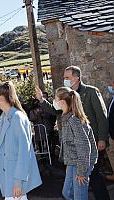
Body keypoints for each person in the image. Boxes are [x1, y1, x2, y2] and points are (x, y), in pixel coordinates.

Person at [36, 65, 110, 200]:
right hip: (76, 150)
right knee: (85, 179)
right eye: (64, 77)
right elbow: (56, 110)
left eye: (67, 77)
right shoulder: (67, 95)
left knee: (91, 176)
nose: (64, 79)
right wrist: (42, 100)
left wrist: (102, 138)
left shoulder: (91, 92)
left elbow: (101, 116)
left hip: (90, 143)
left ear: (76, 78)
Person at [0, 81, 42, 200]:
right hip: (9, 173)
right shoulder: (3, 116)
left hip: (15, 176)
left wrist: (18, 181)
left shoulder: (17, 117)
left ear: (0, 98)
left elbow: (25, 151)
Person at [53, 87, 98, 200]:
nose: (54, 101)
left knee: (79, 196)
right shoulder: (66, 118)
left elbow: (83, 147)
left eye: (55, 98)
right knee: (67, 193)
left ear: (62, 102)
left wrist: (82, 171)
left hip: (81, 163)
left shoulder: (74, 120)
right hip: (73, 162)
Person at [106, 81, 114, 181]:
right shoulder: (112, 99)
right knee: (110, 152)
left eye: (112, 85)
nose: (111, 86)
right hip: (111, 133)